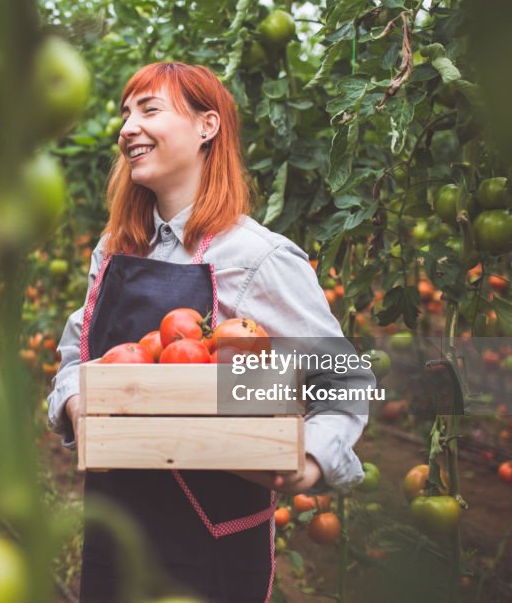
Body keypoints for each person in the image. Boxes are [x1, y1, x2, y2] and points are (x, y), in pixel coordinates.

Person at [46, 62, 375, 602]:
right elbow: (74, 357)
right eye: (125, 114)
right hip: (116, 528)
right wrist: (77, 400)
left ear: (208, 126)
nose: (128, 127)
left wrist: (309, 458)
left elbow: (345, 381)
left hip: (207, 541)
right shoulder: (115, 250)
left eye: (149, 110)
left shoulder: (256, 258)